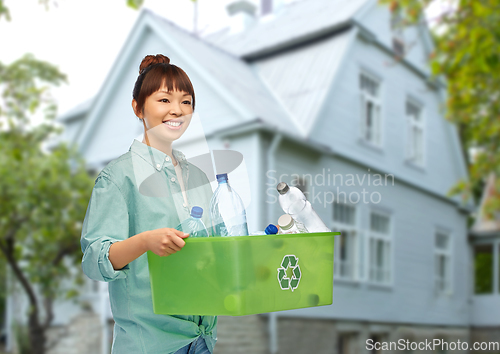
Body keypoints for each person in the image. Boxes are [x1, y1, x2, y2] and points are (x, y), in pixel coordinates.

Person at [80, 54, 217, 354]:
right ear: (138, 108)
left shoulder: (199, 178)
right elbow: (94, 259)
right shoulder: (118, 177)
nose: (177, 111)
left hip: (202, 341)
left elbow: (215, 248)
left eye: (186, 102)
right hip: (150, 344)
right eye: (164, 100)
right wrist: (145, 241)